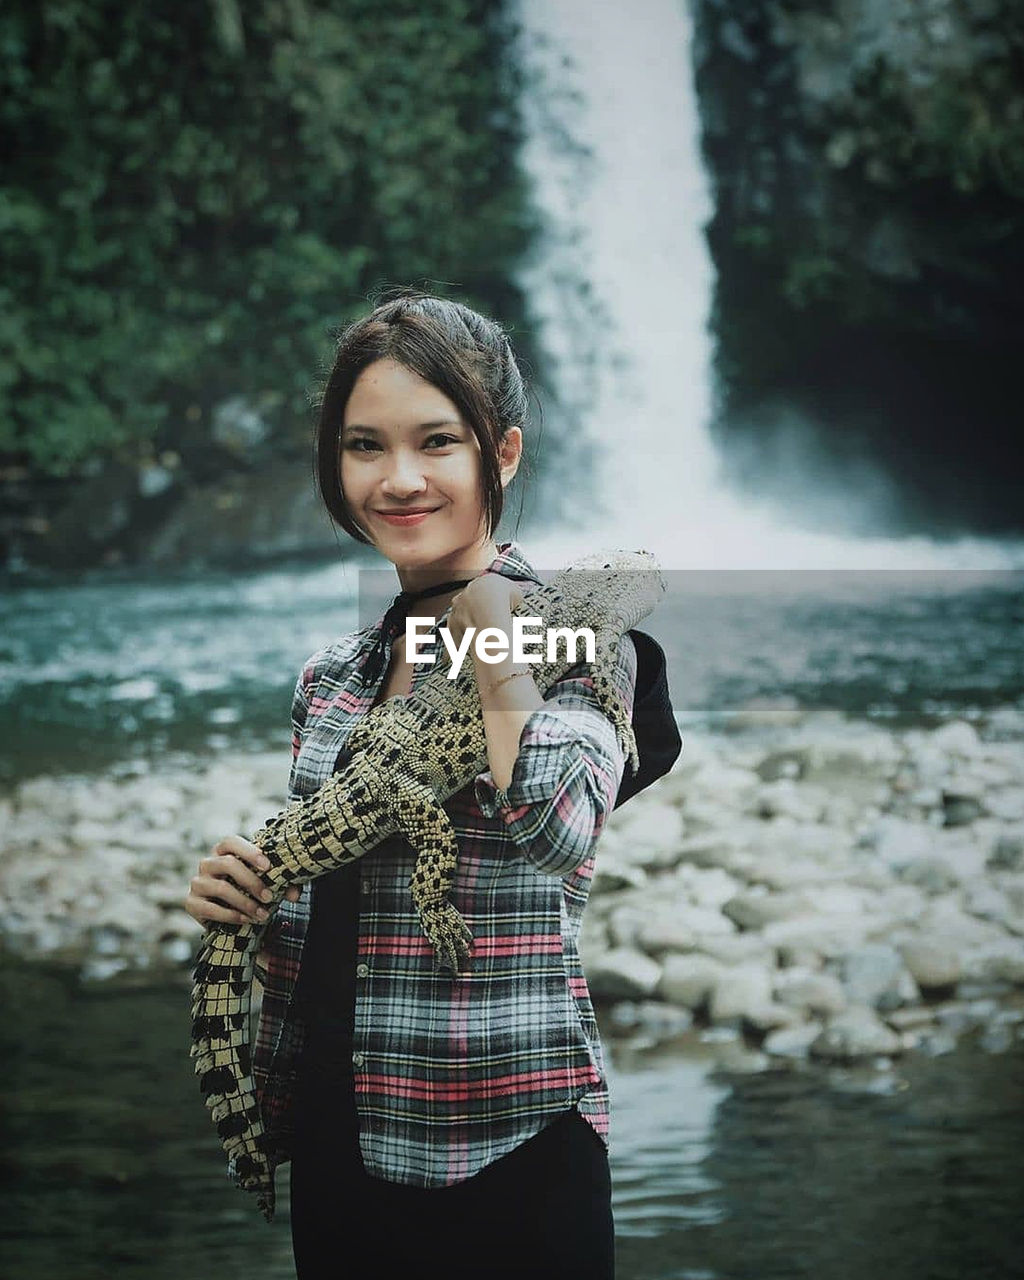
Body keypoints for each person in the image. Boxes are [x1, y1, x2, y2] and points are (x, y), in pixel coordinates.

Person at [184, 290, 645, 1279]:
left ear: (502, 455)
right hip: (342, 1141)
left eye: (436, 441)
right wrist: (251, 900)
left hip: (506, 1148)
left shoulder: (583, 640)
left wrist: (494, 651)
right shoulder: (333, 675)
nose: (398, 479)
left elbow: (560, 829)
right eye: (364, 445)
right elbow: (328, 912)